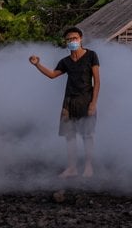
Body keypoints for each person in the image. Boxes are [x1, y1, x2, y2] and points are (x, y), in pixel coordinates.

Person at [30, 27, 100, 178]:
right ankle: (72, 168)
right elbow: (52, 75)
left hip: (86, 100)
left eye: (74, 38)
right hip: (68, 102)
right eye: (68, 39)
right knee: (70, 136)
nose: (72, 41)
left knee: (87, 135)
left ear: (81, 39)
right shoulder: (66, 61)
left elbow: (97, 81)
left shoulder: (91, 56)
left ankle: (88, 167)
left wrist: (93, 103)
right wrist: (37, 64)